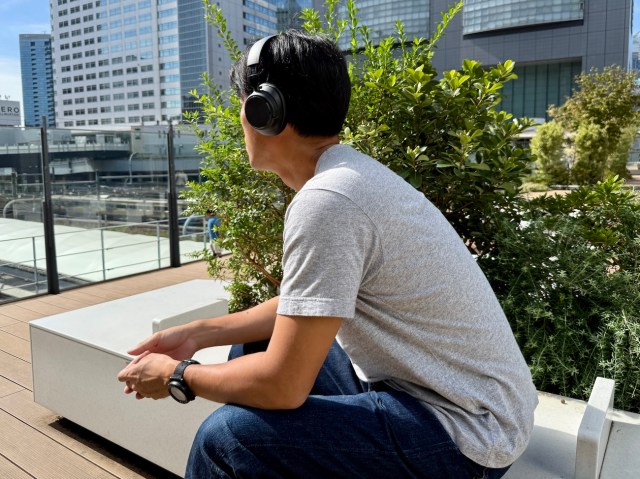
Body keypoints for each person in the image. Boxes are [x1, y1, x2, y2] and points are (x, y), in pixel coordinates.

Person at [117, 31, 538, 478]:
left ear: (263, 111)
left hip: (465, 434)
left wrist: (178, 376)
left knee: (227, 440)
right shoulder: (347, 175)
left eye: (242, 104)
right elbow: (307, 302)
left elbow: (282, 386)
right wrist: (198, 334)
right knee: (253, 346)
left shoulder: (328, 201)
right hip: (451, 397)